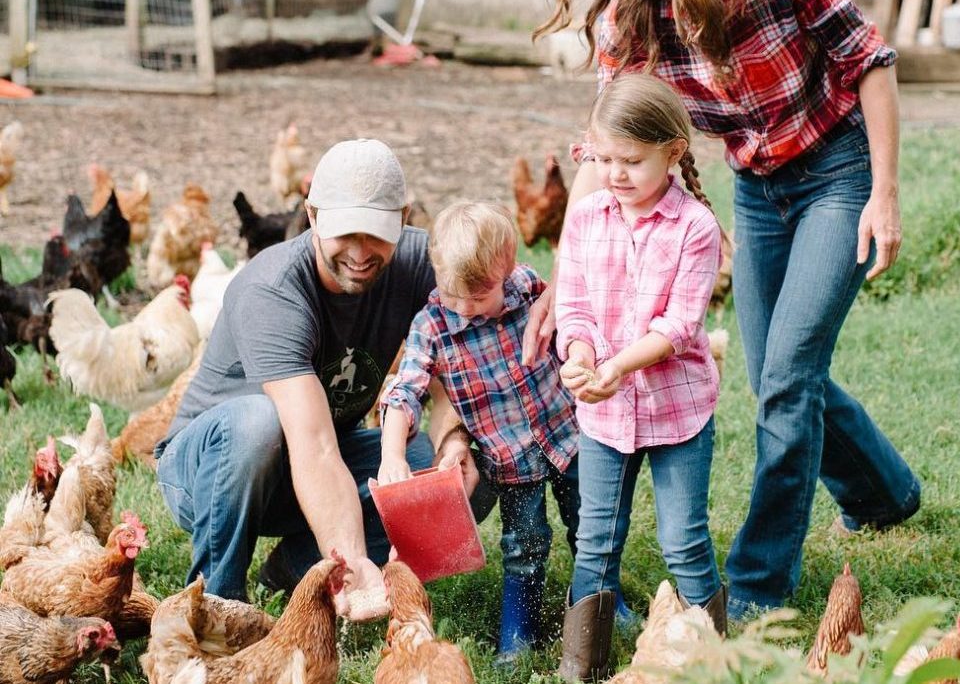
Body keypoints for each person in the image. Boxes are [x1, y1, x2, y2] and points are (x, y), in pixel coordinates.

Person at [528, 0, 921, 625]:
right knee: (776, 372)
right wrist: (565, 274)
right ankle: (885, 492)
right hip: (757, 187)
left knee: (784, 377)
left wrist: (883, 192)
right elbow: (608, 138)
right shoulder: (627, 17)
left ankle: (758, 584)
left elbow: (869, 63)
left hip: (836, 172)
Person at [155, 138, 476, 606]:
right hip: (210, 472)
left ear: (404, 220)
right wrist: (352, 560)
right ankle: (215, 603)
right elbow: (315, 446)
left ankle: (299, 564)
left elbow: (463, 361)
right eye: (346, 232)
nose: (361, 252)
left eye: (377, 234)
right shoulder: (273, 290)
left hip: (315, 459)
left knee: (452, 469)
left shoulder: (417, 261)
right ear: (313, 215)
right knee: (258, 423)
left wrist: (454, 440)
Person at [554, 74, 725, 680]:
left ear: (673, 152)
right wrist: (578, 356)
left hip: (677, 412)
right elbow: (572, 305)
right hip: (602, 412)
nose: (614, 175)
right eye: (602, 160)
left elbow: (679, 325)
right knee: (596, 540)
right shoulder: (586, 218)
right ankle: (582, 667)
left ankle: (712, 661)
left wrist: (614, 367)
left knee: (683, 542)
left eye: (631, 161)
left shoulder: (695, 229)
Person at [377, 200, 581, 660]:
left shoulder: (528, 288)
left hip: (569, 438)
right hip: (511, 462)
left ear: (507, 270)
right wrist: (393, 454)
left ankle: (600, 600)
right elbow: (403, 393)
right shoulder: (431, 327)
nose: (466, 308)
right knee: (524, 545)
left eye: (480, 295)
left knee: (589, 528)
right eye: (454, 295)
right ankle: (520, 631)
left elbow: (570, 323)